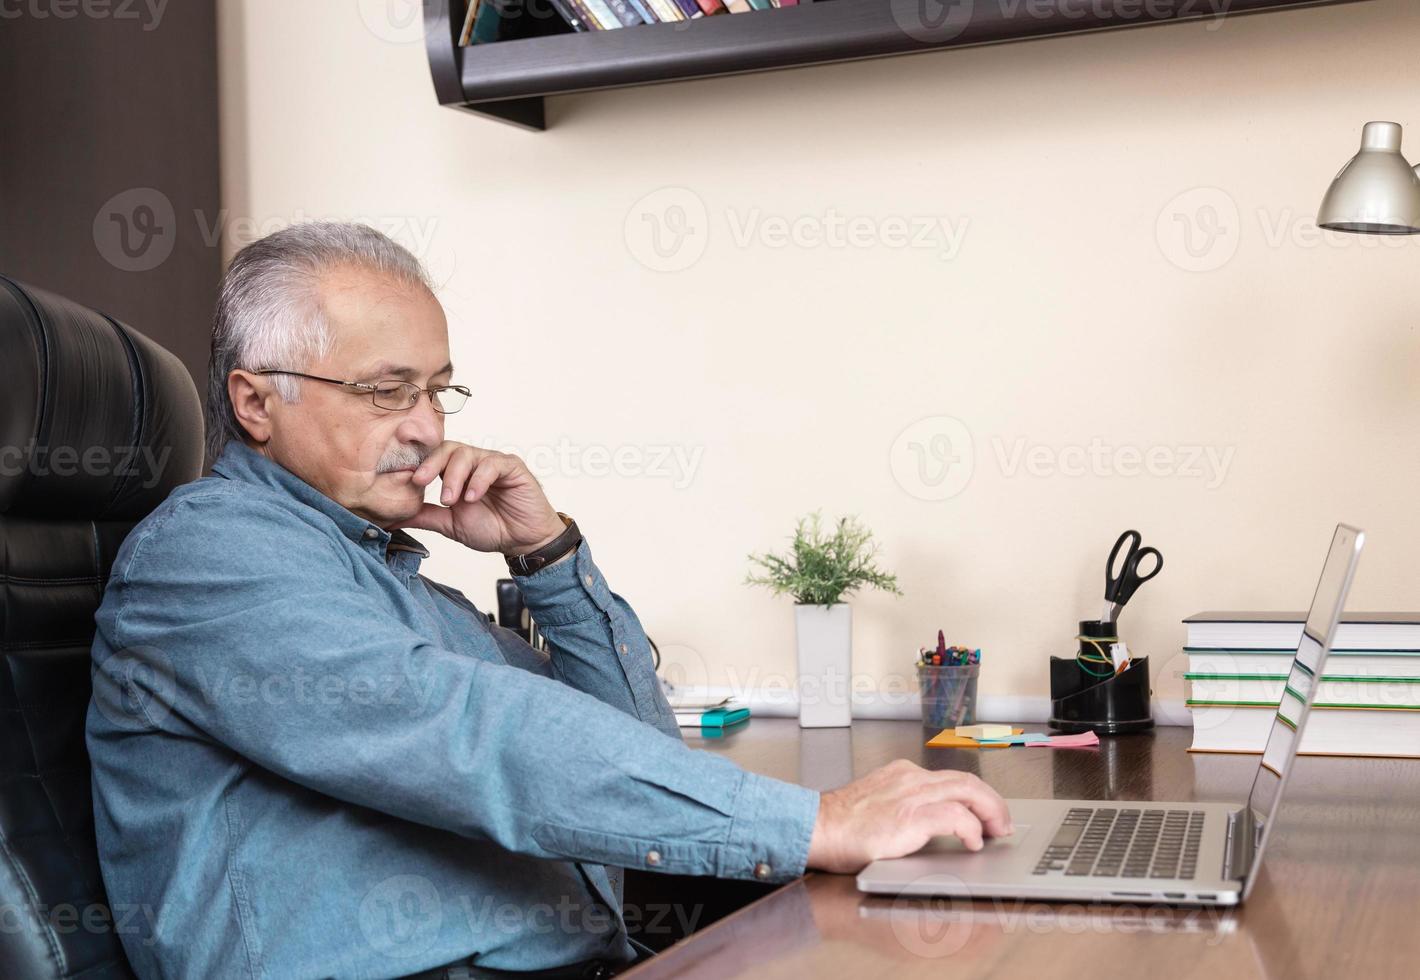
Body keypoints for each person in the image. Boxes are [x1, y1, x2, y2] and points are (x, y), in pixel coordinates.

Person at [87, 222, 1012, 980]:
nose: (426, 427)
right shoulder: (208, 556)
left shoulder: (384, 575)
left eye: (437, 391)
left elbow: (636, 749)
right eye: (385, 392)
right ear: (255, 403)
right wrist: (815, 822)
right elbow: (471, 735)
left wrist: (547, 556)